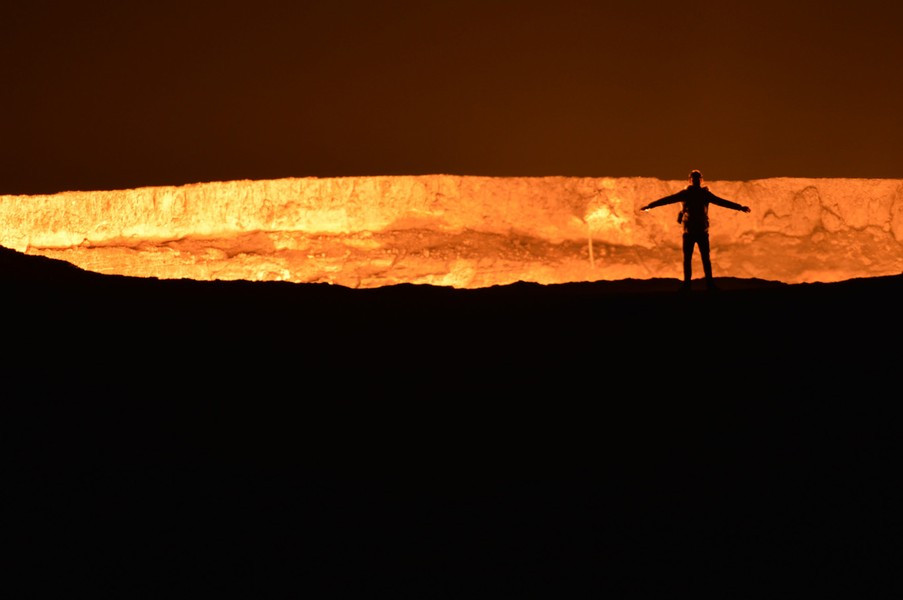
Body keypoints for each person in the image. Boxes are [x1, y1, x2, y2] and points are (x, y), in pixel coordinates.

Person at [640, 170, 751, 291]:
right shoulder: (690, 194)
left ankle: (704, 285)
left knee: (702, 259)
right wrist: (651, 205)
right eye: (694, 179)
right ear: (691, 180)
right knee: (691, 259)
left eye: (697, 179)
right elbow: (668, 199)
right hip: (691, 232)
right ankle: (693, 285)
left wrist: (739, 207)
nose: (696, 181)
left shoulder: (702, 194)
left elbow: (721, 202)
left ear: (700, 180)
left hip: (699, 231)